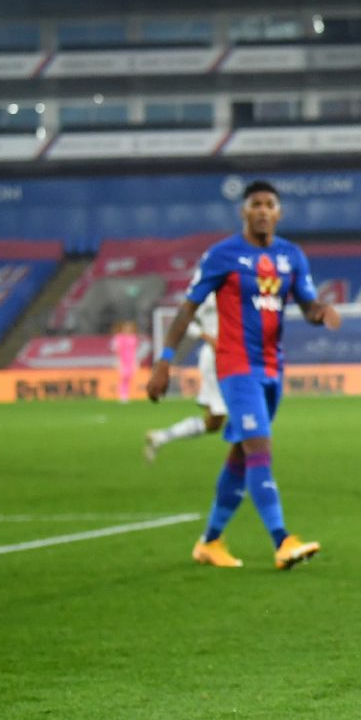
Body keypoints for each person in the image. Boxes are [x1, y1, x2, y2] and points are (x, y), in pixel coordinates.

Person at [146, 179, 341, 570]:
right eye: (256, 204)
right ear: (244, 212)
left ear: (279, 212)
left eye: (270, 204)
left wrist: (321, 313)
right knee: (259, 449)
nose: (264, 210)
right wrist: (165, 360)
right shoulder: (223, 255)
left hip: (272, 368)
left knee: (241, 454)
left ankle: (210, 541)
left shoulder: (291, 256)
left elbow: (306, 304)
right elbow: (187, 309)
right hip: (235, 366)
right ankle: (282, 540)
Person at [144, 299, 227, 461]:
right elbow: (184, 320)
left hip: (237, 357)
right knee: (228, 417)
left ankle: (160, 436)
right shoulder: (208, 287)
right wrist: (207, 337)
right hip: (216, 358)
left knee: (215, 421)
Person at [110, 320, 139, 404]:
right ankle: (122, 396)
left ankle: (126, 395)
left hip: (131, 361)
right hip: (123, 361)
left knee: (129, 378)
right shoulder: (119, 338)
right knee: (123, 378)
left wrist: (135, 361)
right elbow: (116, 350)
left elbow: (134, 351)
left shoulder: (133, 338)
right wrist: (117, 361)